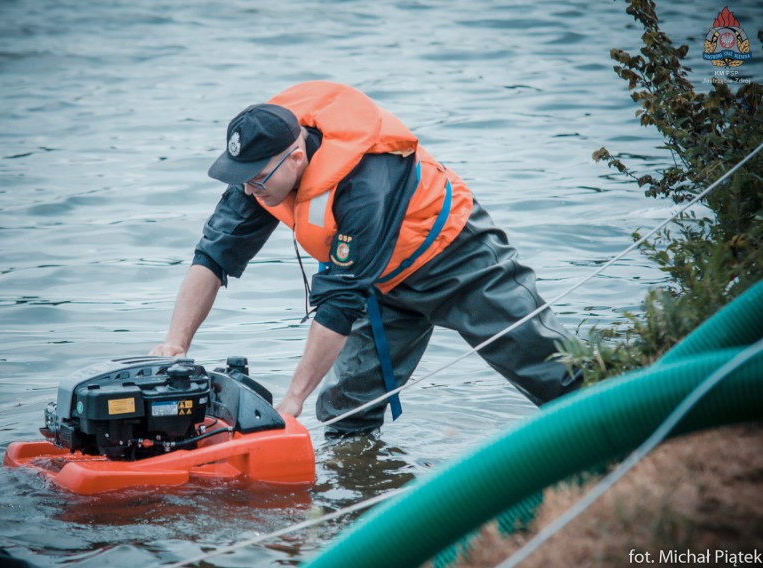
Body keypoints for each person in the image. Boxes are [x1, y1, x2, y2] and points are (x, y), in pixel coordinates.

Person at [150, 81, 581, 434]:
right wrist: (176, 343)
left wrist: (292, 400)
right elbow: (212, 255)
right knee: (345, 412)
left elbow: (338, 302)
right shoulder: (259, 170)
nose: (247, 191)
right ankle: (358, 501)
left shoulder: (364, 181)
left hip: (458, 259)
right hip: (381, 286)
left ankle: (630, 442)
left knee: (554, 372)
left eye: (256, 181)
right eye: (240, 179)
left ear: (297, 157)